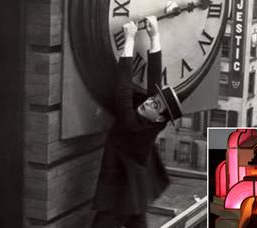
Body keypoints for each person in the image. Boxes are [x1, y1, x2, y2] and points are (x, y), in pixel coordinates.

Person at [91, 16, 182, 228]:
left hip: (119, 195)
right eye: (153, 100)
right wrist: (154, 37)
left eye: (155, 105)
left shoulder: (134, 126)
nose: (149, 102)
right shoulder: (156, 120)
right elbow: (154, 86)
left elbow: (123, 91)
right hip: (134, 190)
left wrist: (129, 40)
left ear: (159, 117)